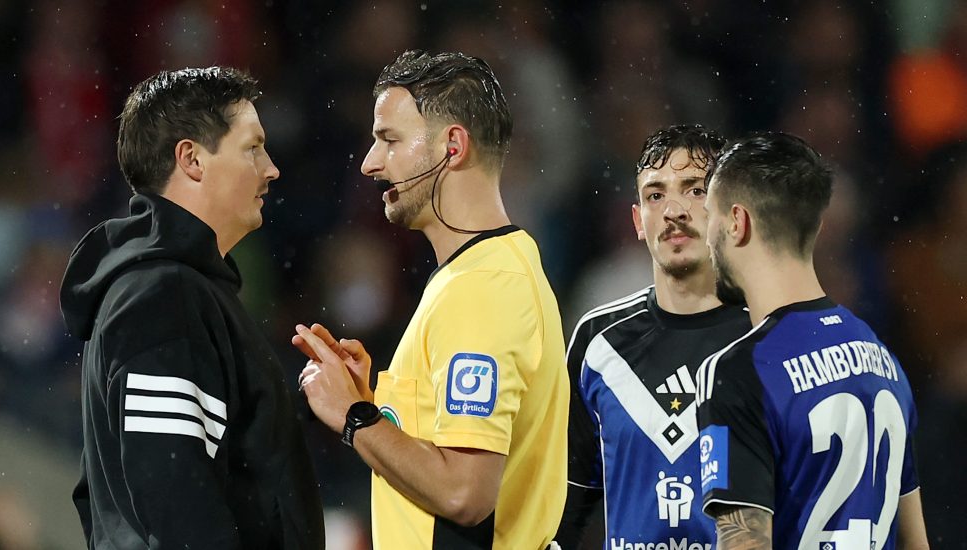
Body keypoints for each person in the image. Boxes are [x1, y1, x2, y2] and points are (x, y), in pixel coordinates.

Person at [291, 49, 568, 550]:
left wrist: (356, 418)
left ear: (452, 147)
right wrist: (381, 408)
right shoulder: (482, 272)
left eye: (389, 140)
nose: (371, 163)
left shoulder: (483, 287)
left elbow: (465, 492)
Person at [59, 67, 325, 549]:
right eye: (252, 147)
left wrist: (308, 410)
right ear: (192, 160)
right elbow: (173, 491)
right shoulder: (165, 296)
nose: (271, 168)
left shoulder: (174, 290)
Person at [695, 132, 930, 549]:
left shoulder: (740, 371)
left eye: (709, 215)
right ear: (816, 226)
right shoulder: (881, 357)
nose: (705, 234)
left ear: (737, 221)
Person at [554, 125, 751, 549]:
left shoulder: (769, 337)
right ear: (637, 221)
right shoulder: (598, 342)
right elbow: (564, 507)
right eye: (655, 195)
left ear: (731, 211)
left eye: (695, 190)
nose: (673, 210)